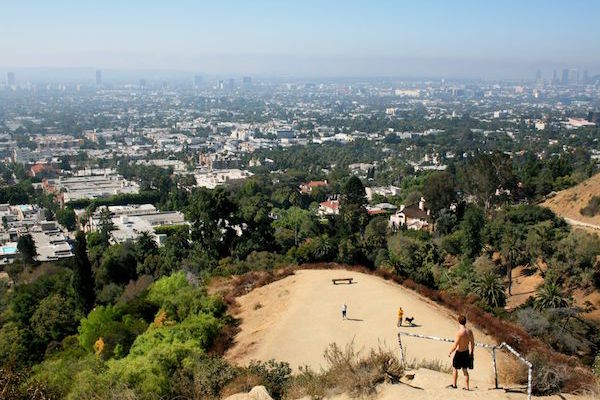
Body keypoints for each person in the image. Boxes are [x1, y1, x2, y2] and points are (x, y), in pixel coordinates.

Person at [448, 315, 474, 390]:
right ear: (465, 322)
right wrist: (472, 352)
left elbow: (455, 345)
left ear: (459, 322)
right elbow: (472, 343)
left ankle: (454, 385)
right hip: (466, 351)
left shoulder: (459, 332)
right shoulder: (470, 332)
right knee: (465, 370)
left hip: (459, 352)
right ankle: (467, 387)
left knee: (455, 368)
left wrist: (450, 351)